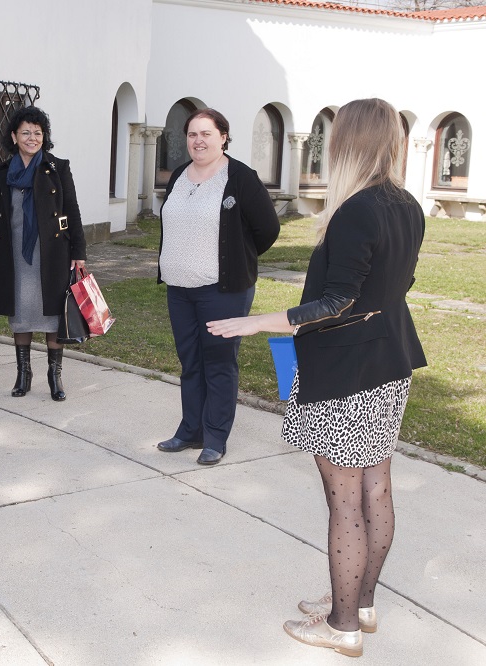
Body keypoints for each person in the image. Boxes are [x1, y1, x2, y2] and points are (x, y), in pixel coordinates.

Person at [207, 98, 426, 658]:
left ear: (346, 142)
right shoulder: (406, 205)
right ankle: (360, 605)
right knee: (375, 486)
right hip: (388, 362)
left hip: (347, 371)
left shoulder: (359, 209)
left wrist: (256, 322)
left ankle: (343, 624)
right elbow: (387, 287)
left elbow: (338, 300)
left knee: (346, 501)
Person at [155, 108, 280, 466]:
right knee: (190, 362)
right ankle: (190, 430)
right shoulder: (179, 175)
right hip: (179, 288)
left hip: (222, 290)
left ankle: (215, 437)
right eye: (192, 134)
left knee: (220, 363)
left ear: (223, 136)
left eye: (206, 134)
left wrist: (237, 256)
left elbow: (267, 229)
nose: (199, 141)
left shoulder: (240, 177)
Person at [0, 106, 86, 401]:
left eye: (38, 133)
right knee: (21, 314)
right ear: (15, 137)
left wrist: (79, 251)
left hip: (52, 254)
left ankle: (54, 377)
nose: (32, 138)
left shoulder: (57, 167)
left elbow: (73, 210)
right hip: (14, 254)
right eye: (26, 132)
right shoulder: (4, 172)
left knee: (52, 316)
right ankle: (23, 373)